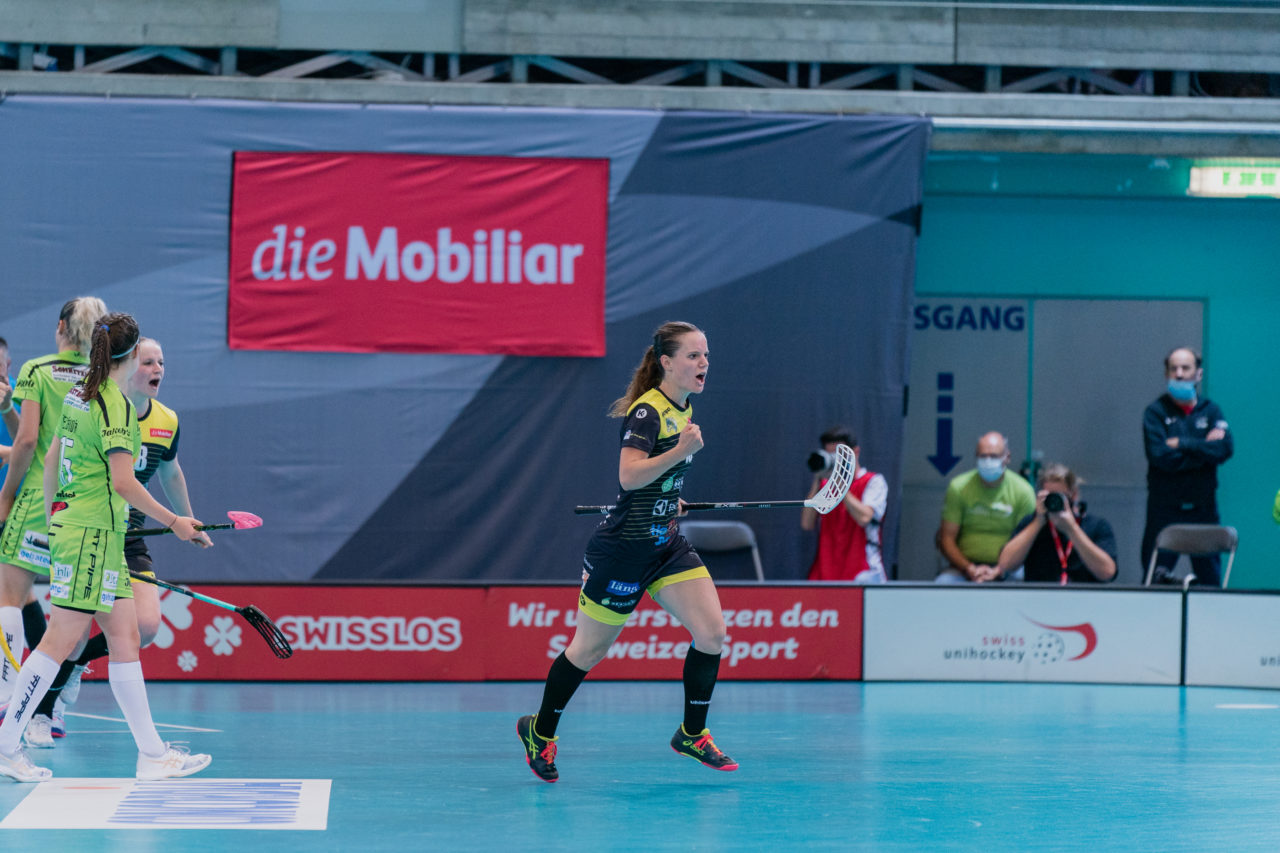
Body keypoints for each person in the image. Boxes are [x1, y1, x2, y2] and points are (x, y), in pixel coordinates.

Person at [516, 321, 735, 783]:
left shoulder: (684, 406)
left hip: (665, 545)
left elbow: (651, 482)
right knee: (587, 651)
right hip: (621, 553)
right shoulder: (647, 413)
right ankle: (540, 731)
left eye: (706, 356)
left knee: (712, 634)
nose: (704, 364)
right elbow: (629, 477)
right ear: (667, 363)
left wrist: (668, 494)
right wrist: (678, 453)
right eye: (694, 356)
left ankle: (691, 734)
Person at [0, 313, 211, 782]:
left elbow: (52, 454)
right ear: (132, 356)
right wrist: (177, 522)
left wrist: (55, 513)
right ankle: (7, 743)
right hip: (92, 535)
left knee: (126, 637)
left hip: (96, 536)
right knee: (59, 641)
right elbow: (124, 482)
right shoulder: (113, 406)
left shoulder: (80, 394)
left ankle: (153, 755)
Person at [0, 297, 107, 708]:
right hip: (84, 509)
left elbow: (27, 441)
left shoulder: (37, 371)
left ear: (60, 326)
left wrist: (7, 494)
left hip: (37, 503)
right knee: (71, 617)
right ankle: (48, 707)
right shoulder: (105, 379)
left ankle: (10, 696)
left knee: (9, 597)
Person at [1142, 347, 1233, 586]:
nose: (1179, 374)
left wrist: (1183, 443)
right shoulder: (1155, 413)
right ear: (1166, 374)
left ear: (1198, 374)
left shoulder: (1211, 411)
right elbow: (1161, 457)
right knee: (1154, 581)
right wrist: (1204, 449)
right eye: (1174, 369)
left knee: (1211, 583)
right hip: (1164, 510)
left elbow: (1224, 449)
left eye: (1185, 368)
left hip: (1203, 509)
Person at [935, 431, 1036, 583]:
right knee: (943, 583)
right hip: (963, 567)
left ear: (1007, 457)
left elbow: (1027, 541)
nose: (988, 461)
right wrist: (969, 568)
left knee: (1024, 582)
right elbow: (946, 539)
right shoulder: (959, 487)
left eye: (994, 456)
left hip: (1010, 569)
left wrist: (1000, 569)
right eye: (983, 456)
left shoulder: (1024, 491)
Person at [996, 463, 1118, 584]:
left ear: (1073, 495)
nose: (1054, 501)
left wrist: (1072, 529)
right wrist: (1038, 522)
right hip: (1040, 599)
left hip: (1084, 600)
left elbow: (1108, 573)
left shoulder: (1096, 526)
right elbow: (1005, 565)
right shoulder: (1031, 524)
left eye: (1059, 496)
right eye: (1049, 496)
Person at [802, 427, 888, 583]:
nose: (834, 460)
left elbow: (864, 518)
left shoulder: (873, 481)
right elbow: (807, 524)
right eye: (830, 456)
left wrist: (840, 483)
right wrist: (818, 479)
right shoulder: (823, 485)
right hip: (826, 570)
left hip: (863, 571)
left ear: (855, 452)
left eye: (838, 455)